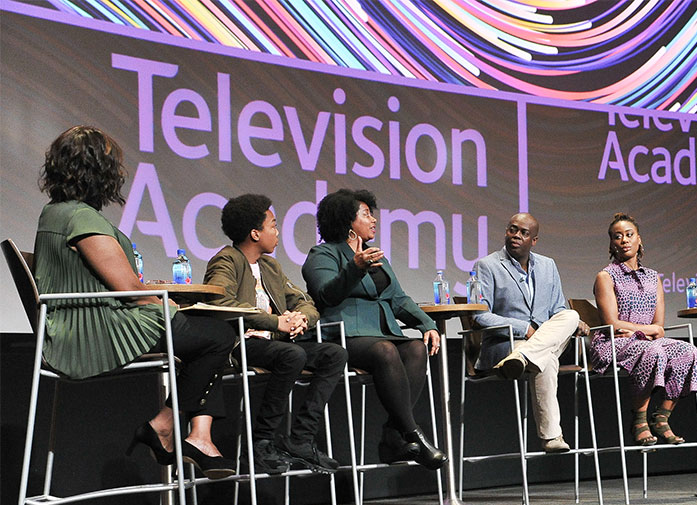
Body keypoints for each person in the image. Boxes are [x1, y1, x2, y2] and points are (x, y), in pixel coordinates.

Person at [33, 126, 235, 478]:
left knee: (203, 338)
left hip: (73, 326)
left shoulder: (54, 212)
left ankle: (186, 433)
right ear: (98, 171)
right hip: (93, 330)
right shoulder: (81, 217)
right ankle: (172, 427)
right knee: (218, 336)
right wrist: (166, 305)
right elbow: (128, 287)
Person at [302, 188, 447, 469]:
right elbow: (326, 295)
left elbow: (398, 298)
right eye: (366, 214)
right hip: (342, 334)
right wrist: (354, 267)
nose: (374, 220)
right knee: (385, 350)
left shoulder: (377, 256)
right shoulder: (323, 254)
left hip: (381, 332)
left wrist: (427, 324)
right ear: (347, 221)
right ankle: (412, 433)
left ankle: (393, 434)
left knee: (416, 349)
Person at [204, 194, 347, 474]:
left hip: (273, 345)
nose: (278, 232)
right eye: (273, 225)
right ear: (255, 233)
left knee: (334, 354)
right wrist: (275, 322)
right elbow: (220, 302)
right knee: (291, 355)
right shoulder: (226, 260)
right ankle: (261, 442)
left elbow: (304, 301)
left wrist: (301, 318)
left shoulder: (270, 266)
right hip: (241, 343)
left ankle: (301, 438)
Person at [473, 213, 589, 453]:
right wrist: (523, 328)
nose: (516, 235)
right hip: (506, 344)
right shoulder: (487, 266)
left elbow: (558, 310)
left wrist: (574, 323)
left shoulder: (548, 265)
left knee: (571, 315)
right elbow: (480, 315)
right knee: (546, 360)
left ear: (534, 240)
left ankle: (524, 357)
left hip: (531, 347)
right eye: (512, 229)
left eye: (523, 233)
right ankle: (552, 437)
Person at [589, 213, 697, 446]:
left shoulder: (653, 278)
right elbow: (612, 324)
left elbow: (659, 327)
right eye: (617, 236)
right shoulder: (606, 276)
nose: (624, 240)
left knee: (688, 351)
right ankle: (639, 420)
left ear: (639, 239)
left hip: (644, 342)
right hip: (611, 343)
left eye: (629, 235)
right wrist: (645, 331)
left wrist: (640, 332)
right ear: (611, 244)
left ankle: (662, 417)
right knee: (653, 352)